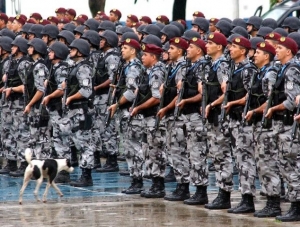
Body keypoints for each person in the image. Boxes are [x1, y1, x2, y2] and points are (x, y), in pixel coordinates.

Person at [243, 41, 279, 217]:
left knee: (268, 164)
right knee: (262, 164)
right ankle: (270, 202)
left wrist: (255, 111)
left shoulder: (269, 74)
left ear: (267, 56)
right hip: (259, 124)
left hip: (267, 125)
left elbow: (271, 100)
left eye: (258, 52)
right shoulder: (260, 73)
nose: (254, 54)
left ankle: (274, 204)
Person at [108, 38, 144, 194]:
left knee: (133, 147)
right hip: (126, 112)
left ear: (133, 51)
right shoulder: (127, 67)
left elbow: (131, 92)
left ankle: (138, 181)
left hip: (130, 112)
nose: (122, 50)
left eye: (125, 48)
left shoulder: (133, 68)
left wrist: (116, 104)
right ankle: (135, 179)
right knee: (129, 147)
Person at [131, 43, 166, 198]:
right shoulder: (149, 71)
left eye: (145, 55)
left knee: (155, 151)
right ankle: (155, 184)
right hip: (148, 118)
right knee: (148, 150)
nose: (142, 57)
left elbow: (157, 98)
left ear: (153, 56)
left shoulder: (157, 72)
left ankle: (159, 186)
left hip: (154, 118)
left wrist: (138, 108)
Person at [156, 37, 189, 201]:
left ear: (180, 51)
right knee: (173, 151)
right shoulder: (173, 67)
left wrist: (167, 108)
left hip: (178, 116)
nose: (168, 50)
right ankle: (180, 186)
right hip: (171, 116)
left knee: (178, 151)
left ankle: (183, 187)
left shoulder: (182, 67)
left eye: (172, 48)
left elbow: (179, 94)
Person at [42, 41, 70, 183]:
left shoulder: (61, 69)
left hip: (60, 110)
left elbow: (62, 89)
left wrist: (49, 96)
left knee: (62, 140)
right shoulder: (54, 67)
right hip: (54, 109)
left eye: (52, 51)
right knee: (57, 140)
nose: (49, 53)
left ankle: (64, 172)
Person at [93, 30, 120, 172]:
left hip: (107, 96)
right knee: (100, 127)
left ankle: (112, 160)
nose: (100, 41)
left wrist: (97, 87)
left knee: (109, 128)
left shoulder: (112, 57)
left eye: (103, 39)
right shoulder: (104, 56)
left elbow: (113, 78)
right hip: (99, 97)